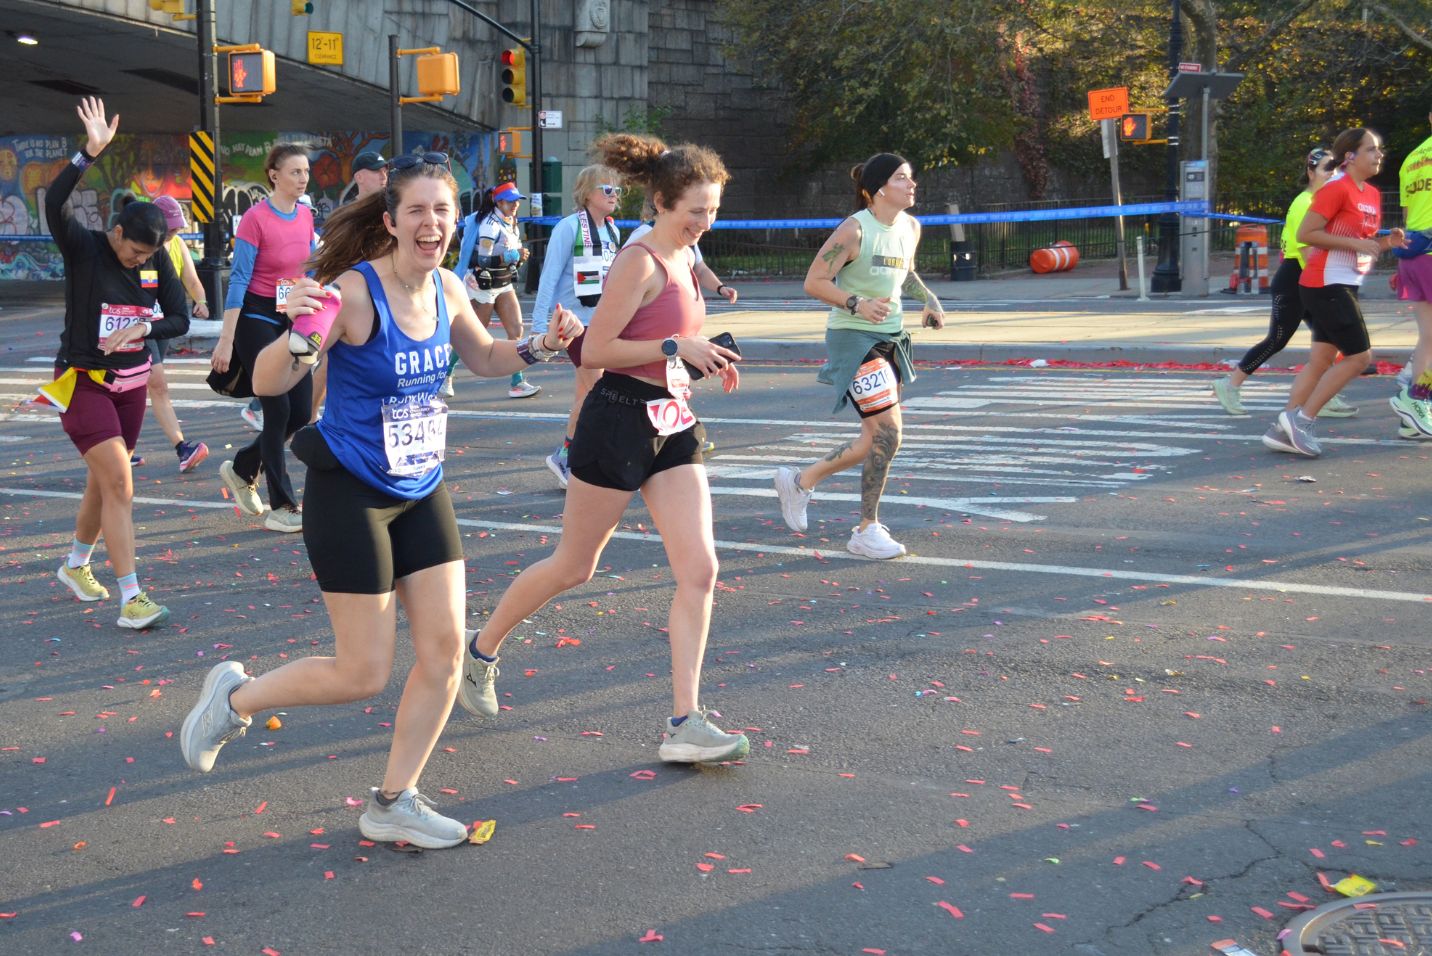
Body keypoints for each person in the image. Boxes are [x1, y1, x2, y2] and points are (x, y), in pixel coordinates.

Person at [179, 150, 584, 848]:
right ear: (392, 221)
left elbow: (485, 357)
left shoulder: (451, 290)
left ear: (457, 221)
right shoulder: (353, 294)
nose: (432, 223)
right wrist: (302, 338)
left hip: (421, 487)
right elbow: (271, 382)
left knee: (445, 653)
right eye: (418, 210)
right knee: (362, 671)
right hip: (351, 494)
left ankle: (394, 799)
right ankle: (234, 698)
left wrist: (540, 345)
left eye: (444, 210)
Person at [458, 133, 751, 766]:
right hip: (616, 419)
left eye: (714, 209)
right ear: (662, 203)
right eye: (696, 210)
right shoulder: (640, 260)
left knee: (700, 570)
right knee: (574, 566)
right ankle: (479, 649)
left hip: (672, 422)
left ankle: (684, 721)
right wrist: (676, 348)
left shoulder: (687, 260)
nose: (706, 221)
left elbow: (671, 340)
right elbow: (594, 351)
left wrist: (705, 355)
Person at [44, 98, 187, 629]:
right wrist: (88, 153)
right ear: (118, 233)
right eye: (134, 253)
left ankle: (75, 564)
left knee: (103, 482)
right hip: (81, 383)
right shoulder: (84, 249)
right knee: (121, 485)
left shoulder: (155, 265)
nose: (140, 262)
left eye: (149, 256)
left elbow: (179, 319)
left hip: (130, 387)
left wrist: (143, 327)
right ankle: (132, 598)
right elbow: (55, 203)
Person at [771, 153, 944, 559]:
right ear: (880, 187)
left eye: (911, 178)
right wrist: (856, 303)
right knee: (889, 434)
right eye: (902, 178)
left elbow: (906, 272)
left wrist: (930, 300)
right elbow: (814, 281)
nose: (912, 185)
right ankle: (866, 530)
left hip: (891, 337)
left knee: (873, 439)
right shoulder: (853, 230)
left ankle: (800, 480)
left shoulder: (911, 227)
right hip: (853, 339)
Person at [1262, 128, 1407, 457]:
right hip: (1325, 283)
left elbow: (1358, 245)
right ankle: (1302, 421)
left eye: (1379, 149)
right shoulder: (1335, 188)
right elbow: (1307, 234)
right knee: (1359, 358)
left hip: (1344, 281)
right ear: (1350, 157)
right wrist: (1357, 243)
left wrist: (1386, 243)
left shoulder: (1369, 193)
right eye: (1371, 149)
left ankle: (1283, 428)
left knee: (1321, 361)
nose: (1379, 155)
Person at [212, 143, 317, 531]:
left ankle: (242, 468)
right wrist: (226, 339)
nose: (303, 178)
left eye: (306, 171)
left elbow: (309, 267)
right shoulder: (254, 219)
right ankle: (283, 506)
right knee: (278, 410)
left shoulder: (306, 216)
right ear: (274, 175)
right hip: (256, 318)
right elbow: (238, 278)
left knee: (302, 412)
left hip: (292, 316)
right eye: (295, 172)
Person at [1209, 150, 1356, 419]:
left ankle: (1326, 395)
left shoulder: (1325, 202)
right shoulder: (1305, 203)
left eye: (1336, 170)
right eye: (1327, 170)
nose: (1333, 175)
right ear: (1311, 173)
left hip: (1313, 279)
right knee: (1277, 339)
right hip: (1295, 280)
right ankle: (1229, 385)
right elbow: (1306, 254)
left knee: (1330, 339)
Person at [531, 164, 622, 487]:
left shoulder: (613, 231)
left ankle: (568, 457)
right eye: (606, 189)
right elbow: (549, 277)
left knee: (587, 394)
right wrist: (539, 326)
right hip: (574, 324)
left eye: (617, 190)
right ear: (586, 193)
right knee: (598, 391)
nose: (614, 195)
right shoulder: (568, 228)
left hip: (602, 325)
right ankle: (578, 456)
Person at [305, 152, 390, 423]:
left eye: (385, 170)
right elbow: (329, 259)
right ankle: (307, 416)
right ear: (359, 177)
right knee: (331, 359)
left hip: (381, 296)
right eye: (377, 170)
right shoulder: (347, 214)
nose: (383, 175)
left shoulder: (387, 210)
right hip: (349, 298)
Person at [136, 195, 210, 473]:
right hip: (139, 325)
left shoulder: (177, 245)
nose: (172, 234)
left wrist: (200, 301)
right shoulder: (140, 244)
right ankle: (182, 447)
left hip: (163, 324)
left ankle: (121, 446)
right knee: (158, 385)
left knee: (141, 386)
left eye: (176, 229)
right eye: (168, 229)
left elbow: (191, 279)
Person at [452, 181, 537, 399]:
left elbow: (509, 258)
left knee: (516, 330)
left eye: (517, 200)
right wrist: (510, 256)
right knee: (474, 334)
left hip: (503, 282)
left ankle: (517, 381)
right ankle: (444, 376)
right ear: (498, 201)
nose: (515, 204)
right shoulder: (489, 225)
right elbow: (483, 259)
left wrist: (517, 259)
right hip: (483, 284)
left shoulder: (511, 222)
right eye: (510, 201)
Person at [1391, 107, 1432, 438]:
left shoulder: (1412, 159)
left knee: (1428, 336)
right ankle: (1416, 398)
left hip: (1412, 255)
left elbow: (1407, 216)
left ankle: (1414, 413)